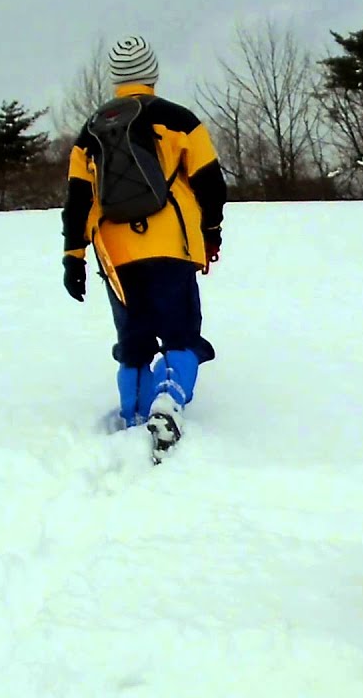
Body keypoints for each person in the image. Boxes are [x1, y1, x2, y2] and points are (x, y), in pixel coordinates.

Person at [60, 35, 227, 451]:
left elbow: (78, 202)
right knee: (180, 331)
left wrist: (73, 257)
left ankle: (134, 418)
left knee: (133, 339)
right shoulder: (179, 119)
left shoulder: (91, 133)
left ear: (115, 78)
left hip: (115, 252)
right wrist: (211, 232)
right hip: (172, 244)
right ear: (152, 72)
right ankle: (168, 400)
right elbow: (210, 182)